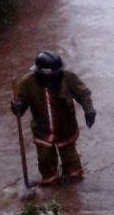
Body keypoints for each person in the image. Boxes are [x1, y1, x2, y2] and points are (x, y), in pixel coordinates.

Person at [11, 51, 96, 186]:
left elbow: (83, 93)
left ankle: (73, 195)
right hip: (42, 131)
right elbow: (20, 105)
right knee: (46, 165)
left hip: (66, 129)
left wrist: (89, 110)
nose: (55, 78)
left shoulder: (68, 77)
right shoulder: (27, 83)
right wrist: (17, 106)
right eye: (52, 76)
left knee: (73, 167)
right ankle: (52, 193)